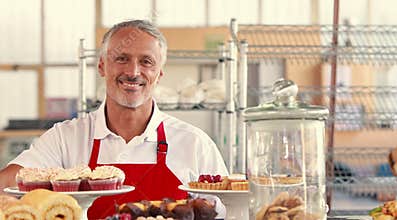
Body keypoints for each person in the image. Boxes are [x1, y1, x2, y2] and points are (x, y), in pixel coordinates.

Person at [0, 20, 228, 219]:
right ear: (101, 66)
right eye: (122, 58)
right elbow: (7, 184)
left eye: (146, 62)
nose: (133, 71)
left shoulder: (195, 143)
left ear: (159, 73)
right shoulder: (65, 138)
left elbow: (227, 211)